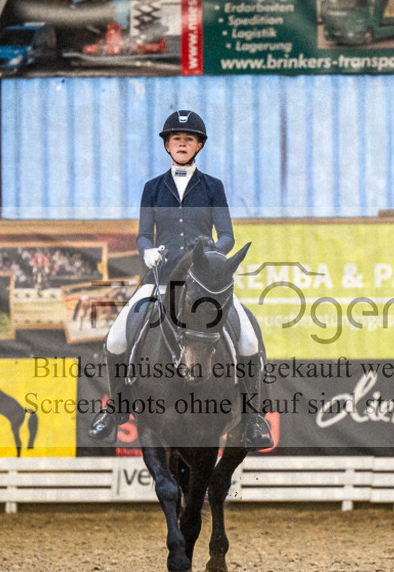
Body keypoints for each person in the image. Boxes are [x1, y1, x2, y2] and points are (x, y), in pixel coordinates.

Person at [88, 110, 274, 451]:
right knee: (115, 340)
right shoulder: (153, 188)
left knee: (248, 340)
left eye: (189, 139)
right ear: (167, 145)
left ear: (199, 145)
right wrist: (146, 251)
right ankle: (116, 410)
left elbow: (227, 236)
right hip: (160, 279)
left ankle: (251, 418)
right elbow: (143, 234)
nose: (182, 143)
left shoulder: (213, 187)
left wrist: (212, 257)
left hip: (204, 282)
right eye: (176, 139)